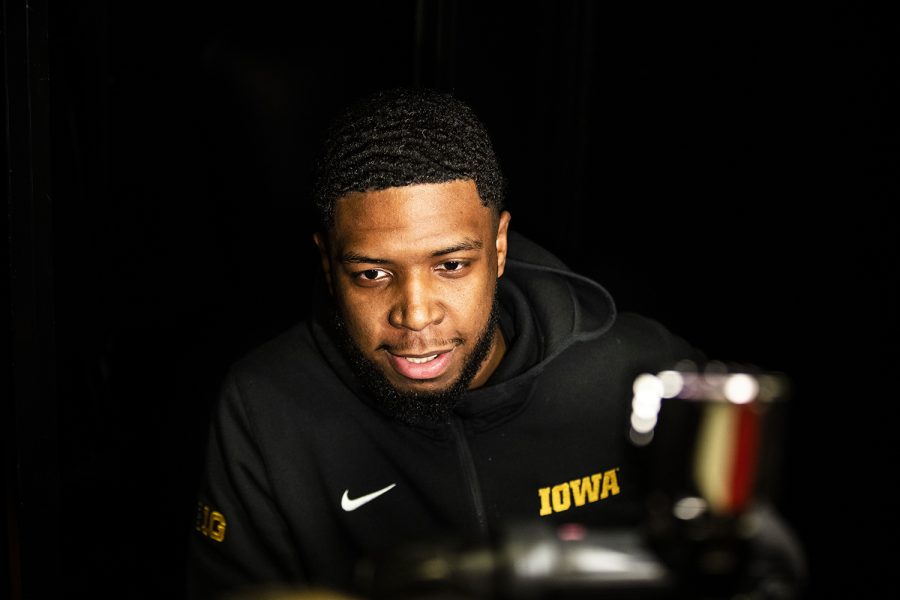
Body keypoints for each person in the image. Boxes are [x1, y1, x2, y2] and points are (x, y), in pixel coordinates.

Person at [187, 87, 804, 600]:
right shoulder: (267, 405)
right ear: (328, 267)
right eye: (372, 274)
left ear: (500, 246)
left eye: (451, 265)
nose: (416, 313)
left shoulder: (641, 371)